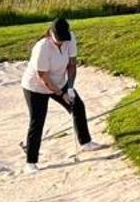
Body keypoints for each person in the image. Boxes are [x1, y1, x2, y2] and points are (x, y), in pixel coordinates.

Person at [19, 18, 102, 171]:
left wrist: (70, 88)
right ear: (51, 34)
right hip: (35, 87)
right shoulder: (42, 47)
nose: (61, 43)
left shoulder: (70, 39)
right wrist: (60, 93)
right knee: (37, 120)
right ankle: (30, 162)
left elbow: (71, 64)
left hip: (59, 81)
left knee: (77, 105)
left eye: (64, 39)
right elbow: (42, 75)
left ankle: (85, 142)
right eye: (59, 40)